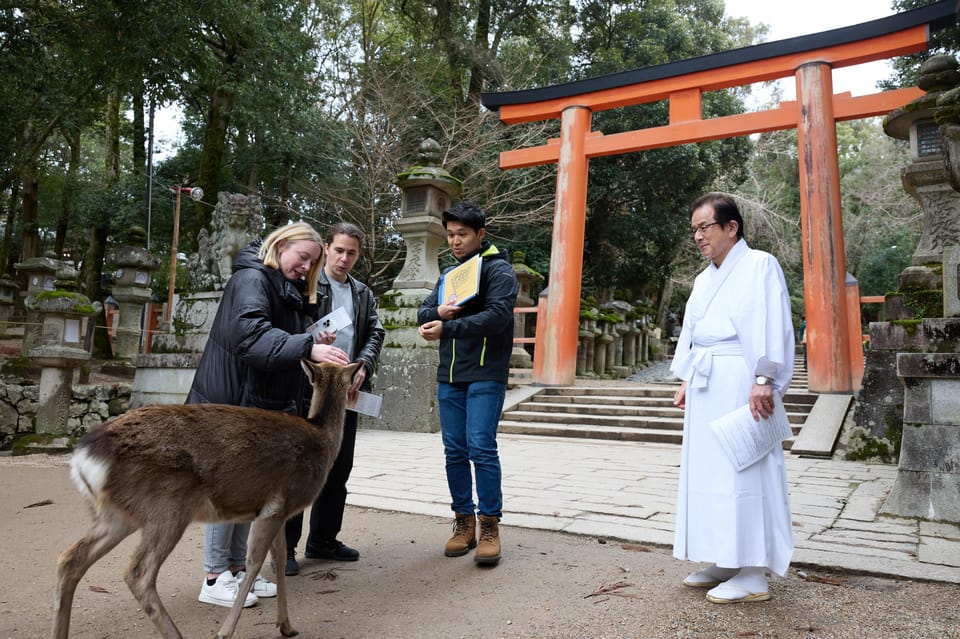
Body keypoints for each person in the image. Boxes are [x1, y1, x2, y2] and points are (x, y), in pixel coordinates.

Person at [186, 221, 350, 609]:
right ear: (281, 244)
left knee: (249, 489)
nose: (306, 267)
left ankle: (238, 570)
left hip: (255, 405)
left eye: (312, 263)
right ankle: (214, 575)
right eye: (303, 257)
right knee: (226, 487)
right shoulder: (252, 279)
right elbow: (251, 337)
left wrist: (309, 339)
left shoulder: (282, 286)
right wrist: (308, 345)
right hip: (230, 402)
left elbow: (278, 340)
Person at [669, 192, 795, 604]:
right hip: (707, 381)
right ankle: (727, 557)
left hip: (742, 379)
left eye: (704, 227)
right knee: (709, 472)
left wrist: (765, 376)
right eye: (694, 230)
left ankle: (754, 570)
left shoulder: (760, 265)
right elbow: (692, 331)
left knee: (746, 469)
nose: (698, 237)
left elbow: (771, 322)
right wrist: (686, 375)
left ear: (731, 227)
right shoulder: (705, 278)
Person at [417, 202, 519, 566]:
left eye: (462, 234)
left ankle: (490, 524)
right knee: (454, 451)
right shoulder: (449, 273)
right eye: (450, 235)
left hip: (486, 373)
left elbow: (497, 317)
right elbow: (424, 310)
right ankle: (463, 522)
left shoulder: (500, 271)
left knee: (481, 447)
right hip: (450, 375)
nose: (455, 241)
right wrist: (436, 315)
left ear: (480, 234)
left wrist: (449, 326)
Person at [284, 222, 385, 575]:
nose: (344, 258)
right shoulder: (306, 282)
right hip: (307, 386)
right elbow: (292, 327)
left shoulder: (362, 292)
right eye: (339, 250)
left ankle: (324, 539)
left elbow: (375, 331)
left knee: (339, 466)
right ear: (327, 247)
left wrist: (364, 366)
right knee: (299, 469)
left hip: (347, 388)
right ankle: (285, 548)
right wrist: (311, 347)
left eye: (352, 253)